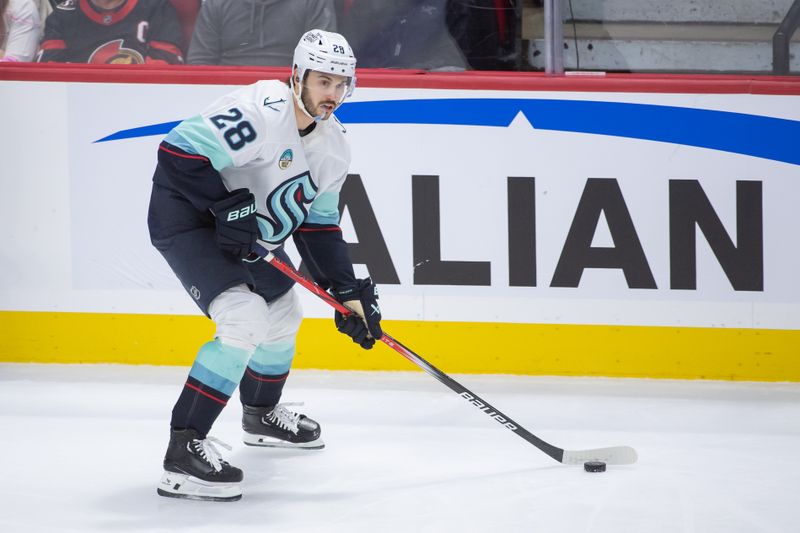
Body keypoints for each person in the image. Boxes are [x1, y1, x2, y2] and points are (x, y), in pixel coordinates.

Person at [148, 29, 382, 502]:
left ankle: (260, 415)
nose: (333, 95)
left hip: (247, 238)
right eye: (323, 82)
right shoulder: (261, 111)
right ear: (297, 76)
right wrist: (226, 207)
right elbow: (177, 153)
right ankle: (181, 453)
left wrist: (347, 294)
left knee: (282, 315)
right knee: (243, 318)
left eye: (341, 84)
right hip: (189, 220)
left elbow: (318, 227)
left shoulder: (334, 147)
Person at [187, 0, 336, 66]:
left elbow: (322, 61)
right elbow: (200, 62)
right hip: (224, 96)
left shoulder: (315, 2)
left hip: (292, 92)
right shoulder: (217, 3)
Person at [36, 0, 183, 64]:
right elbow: (48, 75)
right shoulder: (62, 15)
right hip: (79, 105)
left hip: (141, 104)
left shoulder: (157, 8)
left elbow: (165, 70)